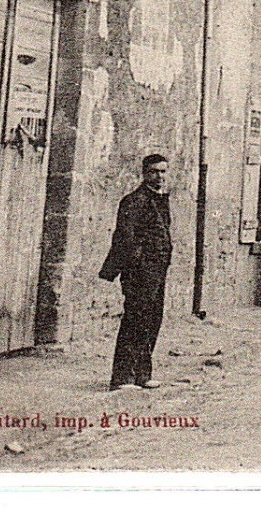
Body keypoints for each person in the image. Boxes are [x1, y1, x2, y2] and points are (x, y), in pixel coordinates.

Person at [98, 153, 173, 391]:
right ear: (144, 173)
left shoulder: (161, 199)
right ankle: (122, 378)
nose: (159, 176)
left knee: (152, 321)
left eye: (162, 171)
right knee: (134, 321)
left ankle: (143, 374)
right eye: (154, 171)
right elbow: (124, 239)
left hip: (157, 272)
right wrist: (128, 268)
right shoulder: (134, 201)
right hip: (139, 272)